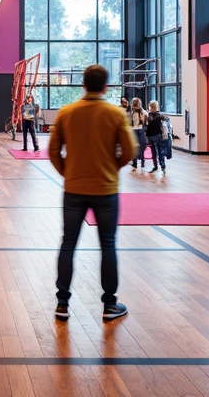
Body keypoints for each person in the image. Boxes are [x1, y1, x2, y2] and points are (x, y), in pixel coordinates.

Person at [48, 64, 135, 322]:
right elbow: (130, 150)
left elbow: (53, 151)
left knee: (68, 243)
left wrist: (68, 172)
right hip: (105, 190)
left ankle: (62, 304)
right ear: (106, 86)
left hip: (74, 189)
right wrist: (111, 168)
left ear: (83, 85)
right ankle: (110, 305)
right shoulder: (115, 113)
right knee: (108, 244)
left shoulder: (67, 112)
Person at [144, 100, 173, 174]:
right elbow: (167, 128)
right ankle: (162, 166)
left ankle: (155, 166)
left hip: (151, 136)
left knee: (154, 152)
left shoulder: (148, 116)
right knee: (161, 152)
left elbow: (146, 127)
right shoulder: (162, 117)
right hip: (160, 136)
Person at [128, 97, 149, 169]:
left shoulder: (143, 112)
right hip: (134, 129)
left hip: (140, 129)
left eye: (135, 103)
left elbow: (146, 122)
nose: (133, 105)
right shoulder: (132, 112)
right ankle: (135, 162)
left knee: (141, 146)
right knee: (135, 147)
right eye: (133, 103)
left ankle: (141, 161)